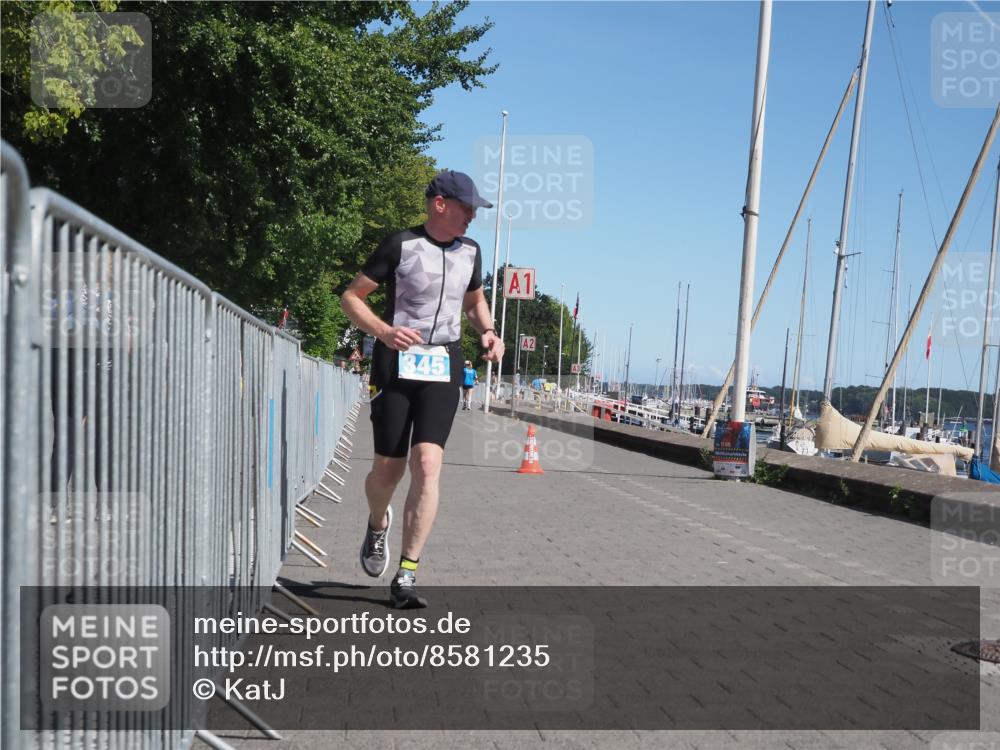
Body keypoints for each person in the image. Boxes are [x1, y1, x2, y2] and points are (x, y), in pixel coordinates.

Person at [341, 170, 504, 609]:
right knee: (388, 471)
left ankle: (407, 574)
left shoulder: (471, 251)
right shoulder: (400, 244)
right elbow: (352, 297)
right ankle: (378, 524)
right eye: (467, 207)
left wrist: (488, 331)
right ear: (440, 204)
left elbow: (473, 303)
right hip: (395, 361)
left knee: (428, 463)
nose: (473, 216)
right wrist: (383, 330)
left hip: (443, 362)